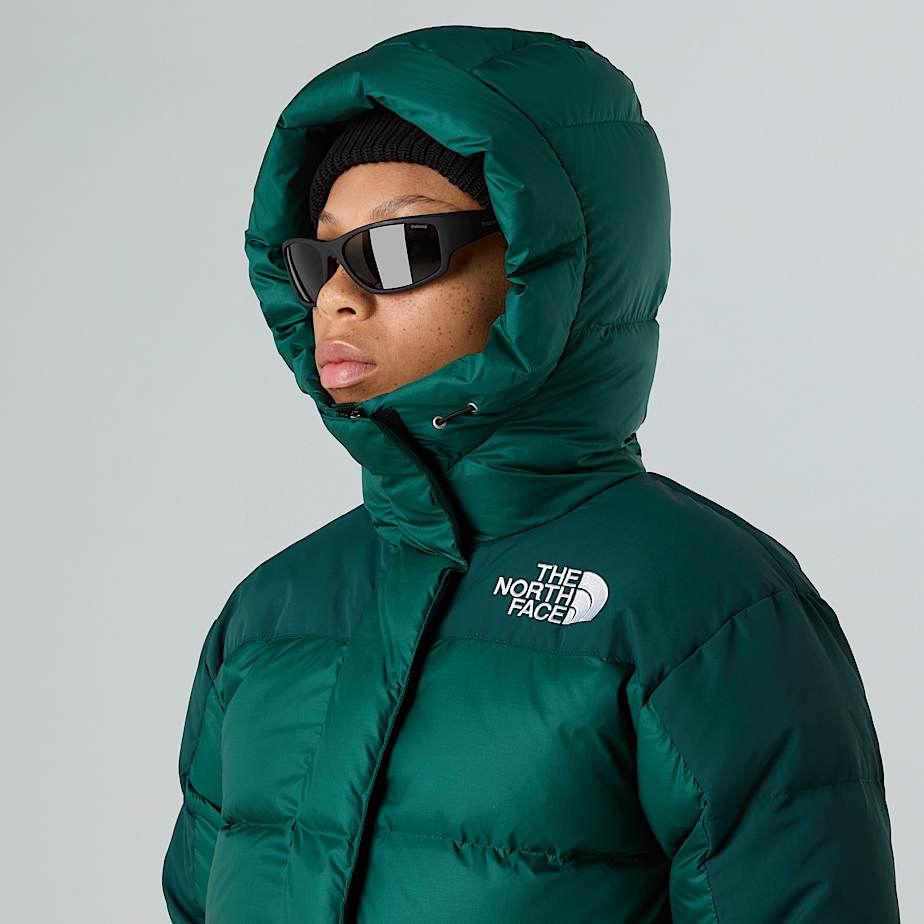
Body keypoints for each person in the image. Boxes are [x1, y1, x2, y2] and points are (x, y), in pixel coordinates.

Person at [162, 24, 901, 924]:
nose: (339, 300)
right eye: (316, 262)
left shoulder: (706, 611)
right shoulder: (271, 613)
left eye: (399, 249)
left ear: (547, 264)